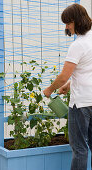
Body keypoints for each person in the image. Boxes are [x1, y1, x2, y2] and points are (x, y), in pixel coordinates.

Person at [43, 3, 92, 170]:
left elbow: (64, 75)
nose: (67, 27)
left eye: (68, 23)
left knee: (79, 149)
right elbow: (87, 71)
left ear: (77, 21)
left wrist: (50, 90)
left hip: (80, 105)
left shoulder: (77, 45)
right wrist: (69, 85)